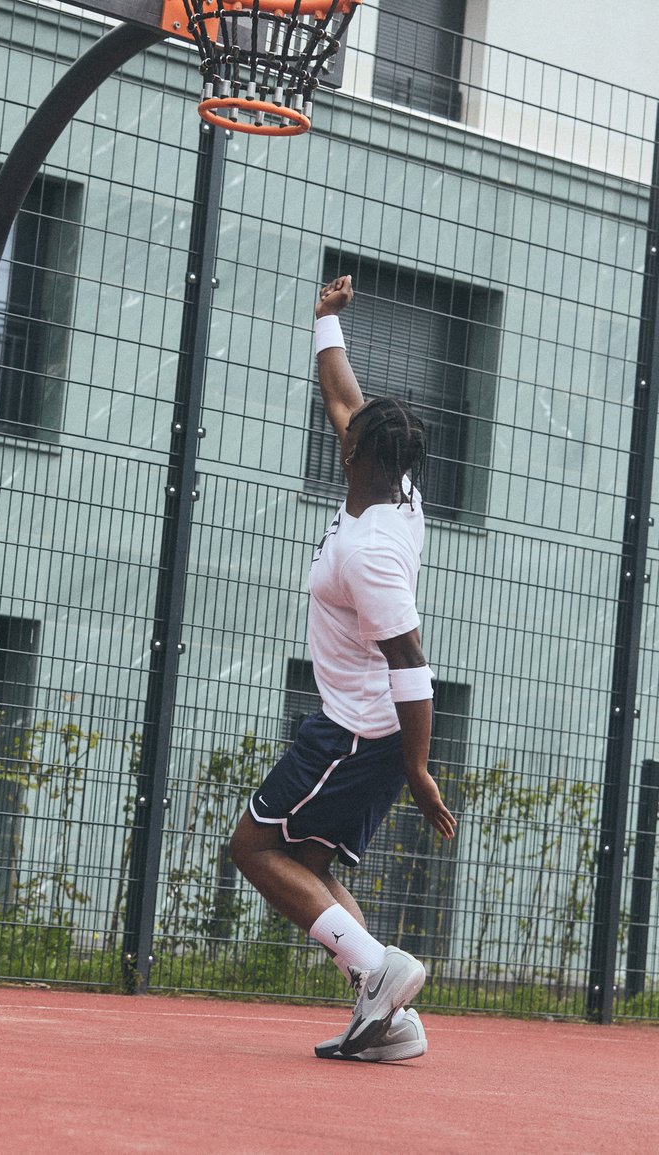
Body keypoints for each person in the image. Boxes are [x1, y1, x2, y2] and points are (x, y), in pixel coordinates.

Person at [229, 273, 457, 1062]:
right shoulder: (390, 495)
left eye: (350, 428)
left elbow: (412, 661)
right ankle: (391, 1023)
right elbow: (341, 396)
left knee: (255, 849)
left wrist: (419, 767)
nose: (341, 423)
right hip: (361, 728)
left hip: (357, 732)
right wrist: (325, 322)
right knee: (314, 864)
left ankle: (377, 969)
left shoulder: (371, 553)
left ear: (358, 451)